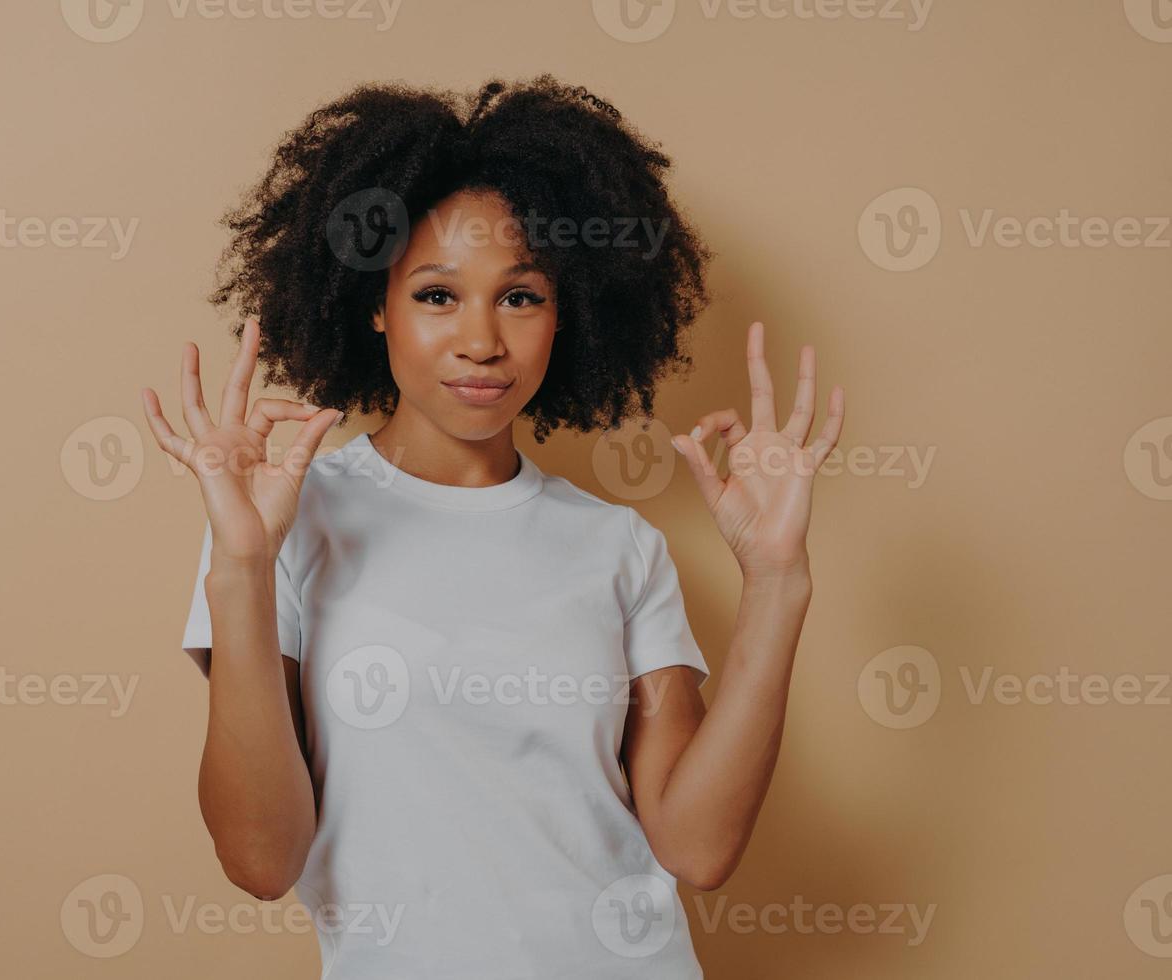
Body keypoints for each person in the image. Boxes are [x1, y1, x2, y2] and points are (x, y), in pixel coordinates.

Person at [140, 75, 844, 980]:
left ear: (569, 312)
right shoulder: (281, 524)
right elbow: (260, 860)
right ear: (373, 305)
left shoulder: (619, 548)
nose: (482, 340)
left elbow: (698, 849)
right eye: (437, 295)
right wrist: (240, 568)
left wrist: (778, 582)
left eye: (520, 296)